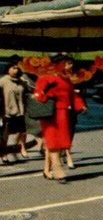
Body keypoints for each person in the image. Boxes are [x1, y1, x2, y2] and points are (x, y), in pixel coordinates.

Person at [34, 55, 86, 183]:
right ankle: (58, 170)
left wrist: (81, 105)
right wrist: (48, 93)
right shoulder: (46, 78)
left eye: (70, 63)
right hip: (50, 114)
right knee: (53, 141)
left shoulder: (66, 79)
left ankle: (47, 169)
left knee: (60, 142)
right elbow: (39, 95)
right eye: (67, 63)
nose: (70, 66)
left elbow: (72, 94)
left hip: (63, 113)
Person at [0, 60, 31, 163]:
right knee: (5, 134)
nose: (16, 70)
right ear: (8, 69)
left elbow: (30, 91)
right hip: (7, 112)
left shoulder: (21, 81)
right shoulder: (3, 81)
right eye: (13, 68)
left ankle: (20, 147)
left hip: (20, 111)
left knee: (22, 131)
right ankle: (3, 153)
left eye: (17, 68)